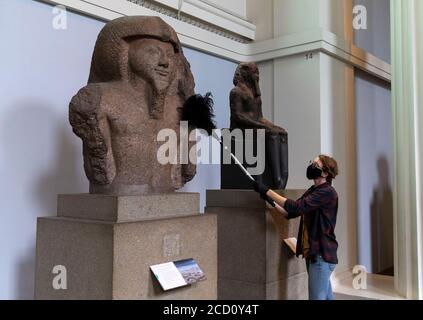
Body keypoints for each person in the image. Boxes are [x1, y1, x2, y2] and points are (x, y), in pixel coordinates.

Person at [253, 155, 339, 300]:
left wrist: (268, 191)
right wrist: (270, 201)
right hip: (315, 255)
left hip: (321, 256)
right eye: (311, 162)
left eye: (315, 164)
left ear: (325, 173)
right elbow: (290, 212)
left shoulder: (327, 192)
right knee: (327, 297)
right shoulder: (313, 190)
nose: (311, 166)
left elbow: (297, 206)